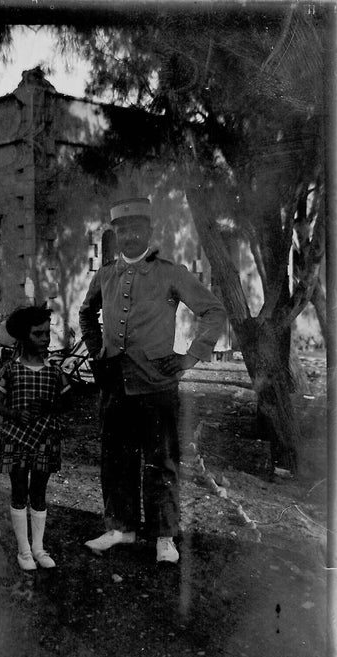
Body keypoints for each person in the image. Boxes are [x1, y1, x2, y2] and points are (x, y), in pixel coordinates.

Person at [79, 197, 227, 563]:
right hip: (115, 387)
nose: (129, 235)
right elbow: (86, 312)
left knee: (161, 461)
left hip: (157, 387)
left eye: (137, 228)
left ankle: (164, 535)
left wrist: (190, 356)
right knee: (116, 459)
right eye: (122, 229)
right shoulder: (105, 274)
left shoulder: (170, 273)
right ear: (115, 233)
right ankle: (120, 527)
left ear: (149, 230)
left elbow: (213, 310)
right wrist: (97, 351)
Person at [0, 305, 71, 571]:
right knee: (19, 490)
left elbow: (67, 403)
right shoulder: (11, 369)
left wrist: (49, 407)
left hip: (45, 437)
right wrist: (16, 413)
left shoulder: (54, 370)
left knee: (39, 491)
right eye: (38, 334)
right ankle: (24, 550)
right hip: (16, 436)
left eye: (47, 334)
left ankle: (38, 547)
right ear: (24, 337)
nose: (45, 340)